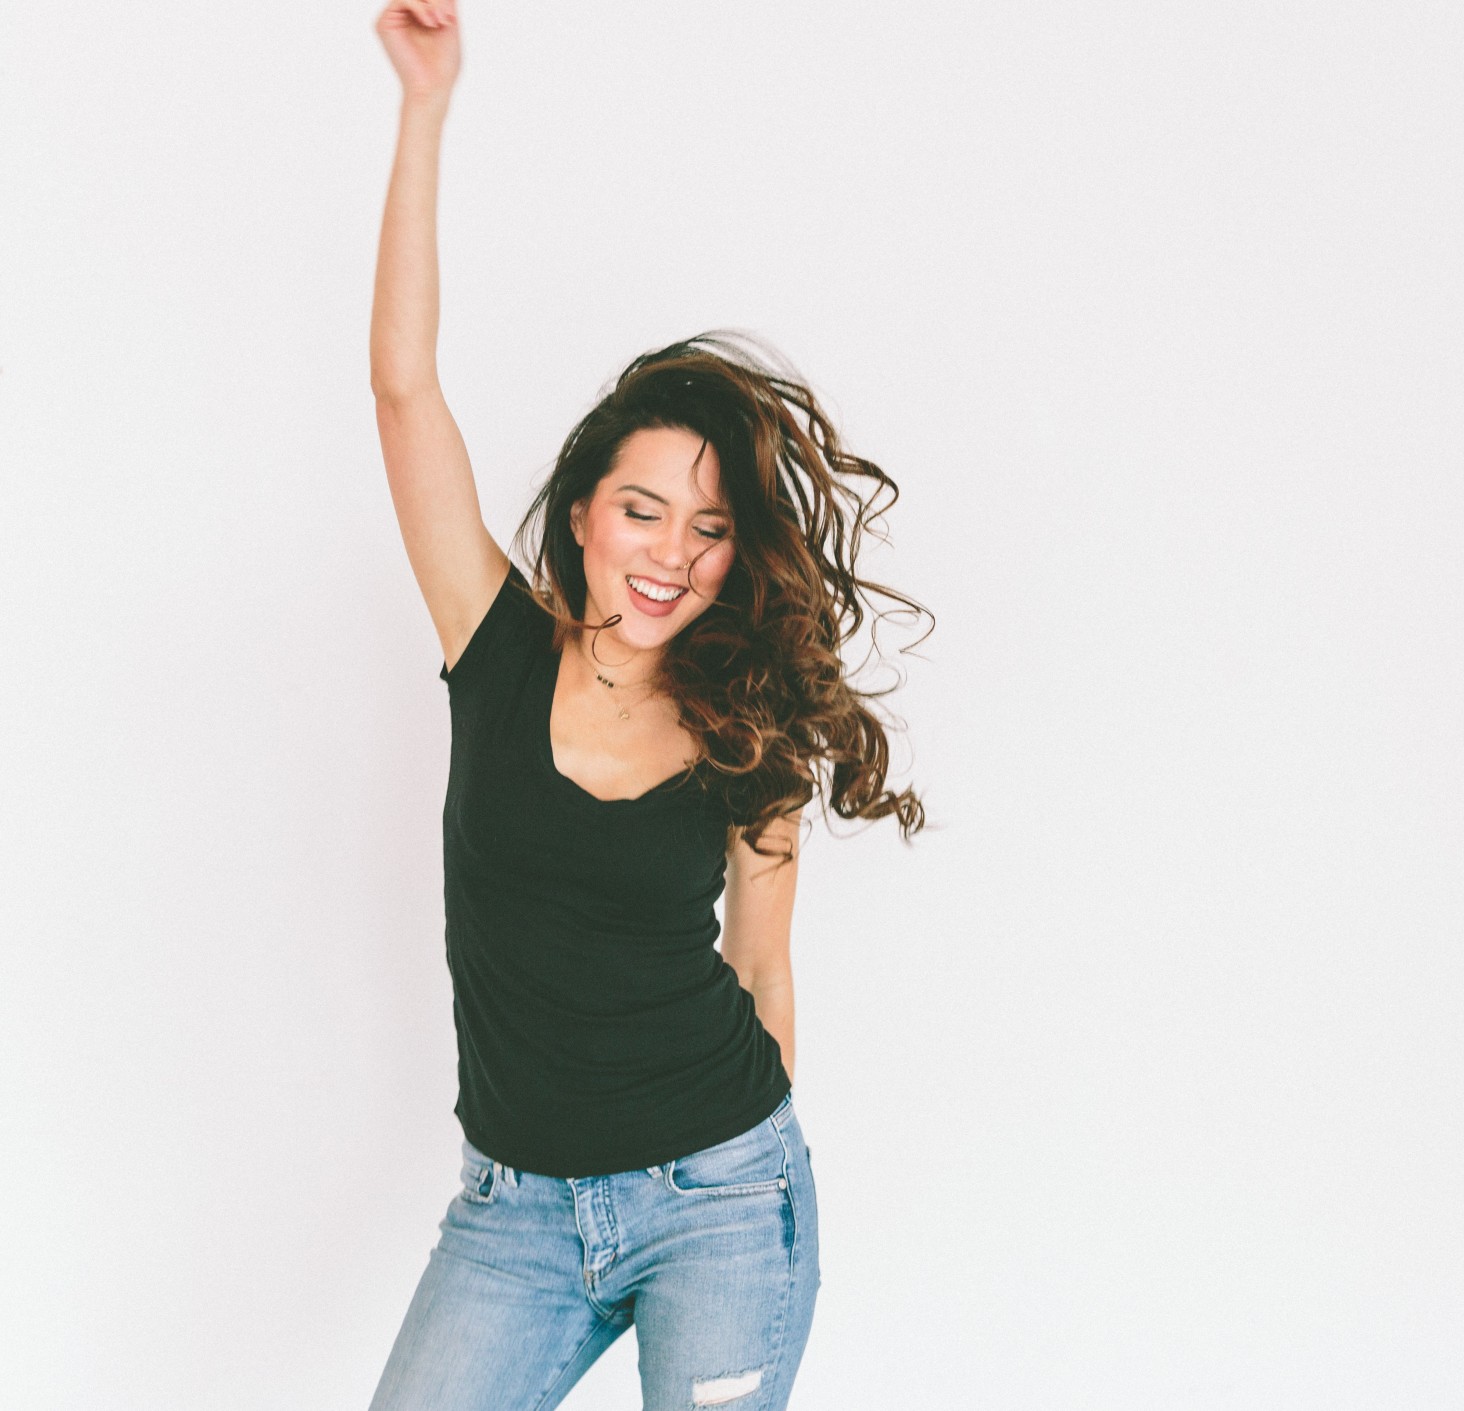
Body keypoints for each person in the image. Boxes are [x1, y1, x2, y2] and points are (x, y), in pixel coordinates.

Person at [364, 4, 926, 1407]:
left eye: (711, 527)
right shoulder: (492, 644)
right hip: (515, 1218)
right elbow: (401, 387)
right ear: (585, 512)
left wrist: (740, 1177)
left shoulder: (756, 727)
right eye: (641, 508)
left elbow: (766, 973)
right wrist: (425, 108)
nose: (671, 551)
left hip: (721, 1195)